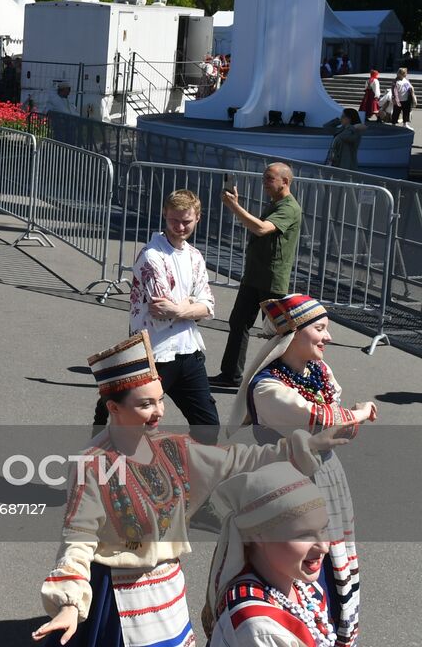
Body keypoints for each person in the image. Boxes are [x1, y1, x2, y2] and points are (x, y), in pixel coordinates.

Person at [33, 331, 347, 647]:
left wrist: (306, 445)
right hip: (119, 600)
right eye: (145, 404)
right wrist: (70, 603)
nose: (158, 412)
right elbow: (78, 539)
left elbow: (237, 460)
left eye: (160, 400)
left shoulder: (171, 448)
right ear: (113, 408)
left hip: (169, 591)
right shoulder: (93, 465)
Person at [229, 295, 375, 646]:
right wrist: (360, 412)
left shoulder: (319, 371)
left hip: (325, 476)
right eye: (320, 329)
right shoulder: (267, 388)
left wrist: (348, 420)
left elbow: (339, 431)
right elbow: (323, 420)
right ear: (292, 334)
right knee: (291, 563)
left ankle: (331, 631)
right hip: (288, 484)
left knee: (330, 554)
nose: (327, 337)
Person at [98, 189, 219, 442]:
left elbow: (208, 306)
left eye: (187, 221)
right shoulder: (152, 256)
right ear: (164, 215)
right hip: (154, 353)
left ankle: (188, 474)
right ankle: (100, 463)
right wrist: (191, 305)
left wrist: (180, 308)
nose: (180, 226)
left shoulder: (195, 257)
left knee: (208, 426)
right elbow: (160, 312)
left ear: (198, 218)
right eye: (174, 220)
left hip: (189, 351)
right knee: (132, 423)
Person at [201, 465, 338, 647]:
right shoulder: (258, 626)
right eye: (304, 535)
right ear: (258, 534)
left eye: (324, 529)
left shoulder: (301, 585)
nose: (324, 547)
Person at [211, 163, 302, 389]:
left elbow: (261, 229)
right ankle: (231, 375)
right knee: (239, 322)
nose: (264, 183)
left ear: (285, 182)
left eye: (269, 179)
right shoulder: (276, 204)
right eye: (264, 178)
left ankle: (284, 381)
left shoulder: (289, 208)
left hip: (272, 279)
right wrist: (236, 205)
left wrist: (234, 207)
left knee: (278, 334)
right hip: (254, 276)